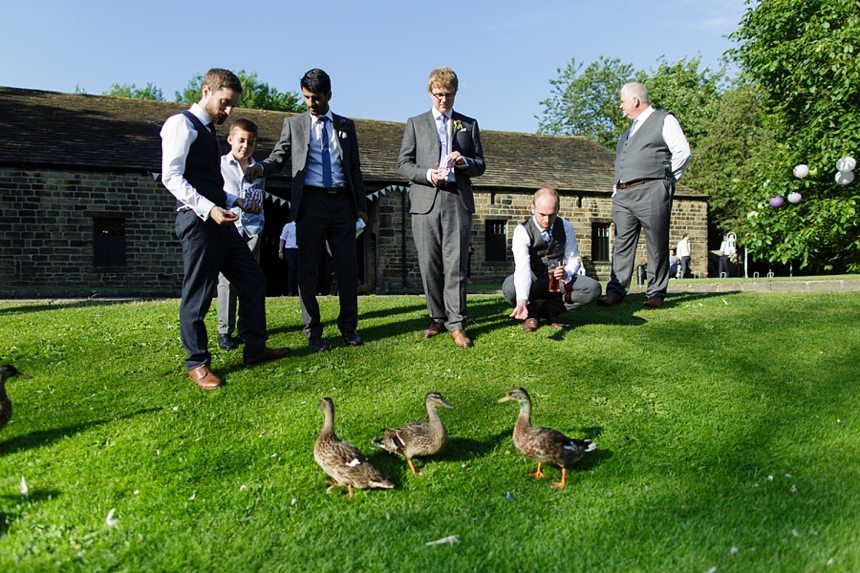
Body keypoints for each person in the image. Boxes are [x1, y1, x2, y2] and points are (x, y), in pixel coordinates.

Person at [160, 68, 289, 389]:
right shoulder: (180, 125)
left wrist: (237, 201)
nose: (228, 111)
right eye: (224, 102)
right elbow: (171, 177)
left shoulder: (207, 131)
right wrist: (209, 209)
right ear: (207, 91)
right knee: (199, 293)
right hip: (198, 221)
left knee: (253, 278)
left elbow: (210, 185)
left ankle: (255, 348)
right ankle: (197, 363)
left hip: (221, 219)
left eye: (232, 105)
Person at [247, 68, 367, 352]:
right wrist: (261, 168)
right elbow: (278, 156)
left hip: (342, 203)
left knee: (347, 268)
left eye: (315, 98)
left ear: (329, 95)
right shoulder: (294, 124)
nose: (310, 103)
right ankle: (313, 333)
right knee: (307, 270)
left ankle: (349, 328)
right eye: (306, 97)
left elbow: (354, 169)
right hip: (310, 204)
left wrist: (361, 208)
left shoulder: (346, 126)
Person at [397, 67, 485, 348]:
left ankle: (457, 323)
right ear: (429, 93)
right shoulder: (415, 123)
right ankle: (437, 318)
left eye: (447, 95)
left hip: (456, 199)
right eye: (437, 95)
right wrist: (427, 174)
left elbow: (480, 165)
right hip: (425, 201)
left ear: (455, 93)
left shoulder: (468, 124)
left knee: (456, 264)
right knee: (430, 264)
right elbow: (403, 164)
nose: (442, 100)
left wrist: (465, 163)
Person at [598, 82, 690, 309]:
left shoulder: (663, 119)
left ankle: (656, 293)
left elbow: (682, 152)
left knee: (657, 243)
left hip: (652, 190)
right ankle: (616, 291)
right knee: (621, 244)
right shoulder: (627, 132)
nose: (620, 105)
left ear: (635, 101)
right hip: (623, 194)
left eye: (622, 101)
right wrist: (615, 191)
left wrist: (668, 179)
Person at [502, 189, 601, 331]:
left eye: (552, 215)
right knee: (509, 288)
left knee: (593, 288)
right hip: (533, 280)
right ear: (533, 208)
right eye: (542, 215)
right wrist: (522, 301)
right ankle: (532, 312)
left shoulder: (566, 227)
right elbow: (522, 267)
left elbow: (573, 259)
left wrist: (566, 272)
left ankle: (551, 309)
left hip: (557, 281)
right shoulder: (522, 231)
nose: (547, 220)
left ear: (558, 209)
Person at [216, 119, 265, 351]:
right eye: (242, 140)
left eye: (251, 142)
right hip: (229, 229)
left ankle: (247, 328)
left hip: (252, 230)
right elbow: (217, 193)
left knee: (251, 281)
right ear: (230, 139)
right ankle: (225, 331)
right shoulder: (219, 165)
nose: (246, 146)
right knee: (227, 282)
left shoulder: (259, 170)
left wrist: (259, 214)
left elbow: (260, 198)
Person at [278, 220, 298, 296]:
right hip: (290, 249)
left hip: (299, 249)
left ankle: (298, 290)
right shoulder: (288, 226)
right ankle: (291, 290)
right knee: (292, 269)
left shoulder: (302, 225)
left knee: (299, 270)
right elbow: (282, 238)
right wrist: (280, 251)